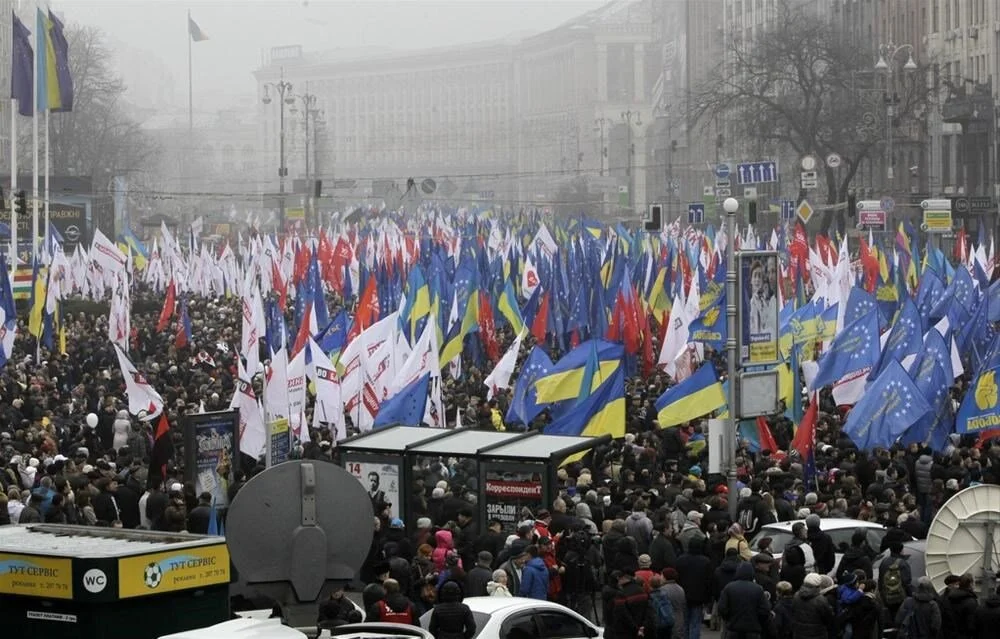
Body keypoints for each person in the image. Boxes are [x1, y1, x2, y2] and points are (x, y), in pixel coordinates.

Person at [718, 563, 771, 639]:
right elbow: (765, 610)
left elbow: (722, 608)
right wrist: (759, 620)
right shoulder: (758, 589)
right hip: (753, 629)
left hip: (733, 628)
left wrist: (728, 618)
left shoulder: (729, 587)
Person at [676, 537, 712, 639]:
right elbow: (708, 581)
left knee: (685, 622)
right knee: (695, 623)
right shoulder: (705, 561)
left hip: (683, 595)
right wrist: (708, 598)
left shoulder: (680, 560)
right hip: (699, 597)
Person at [791, 573, 834, 639]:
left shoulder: (796, 595)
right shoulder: (820, 600)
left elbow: (793, 612)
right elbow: (828, 619)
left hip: (799, 633)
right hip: (817, 634)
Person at [944, 573, 978, 639]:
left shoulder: (949, 598)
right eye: (974, 582)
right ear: (970, 584)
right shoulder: (971, 602)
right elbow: (971, 625)